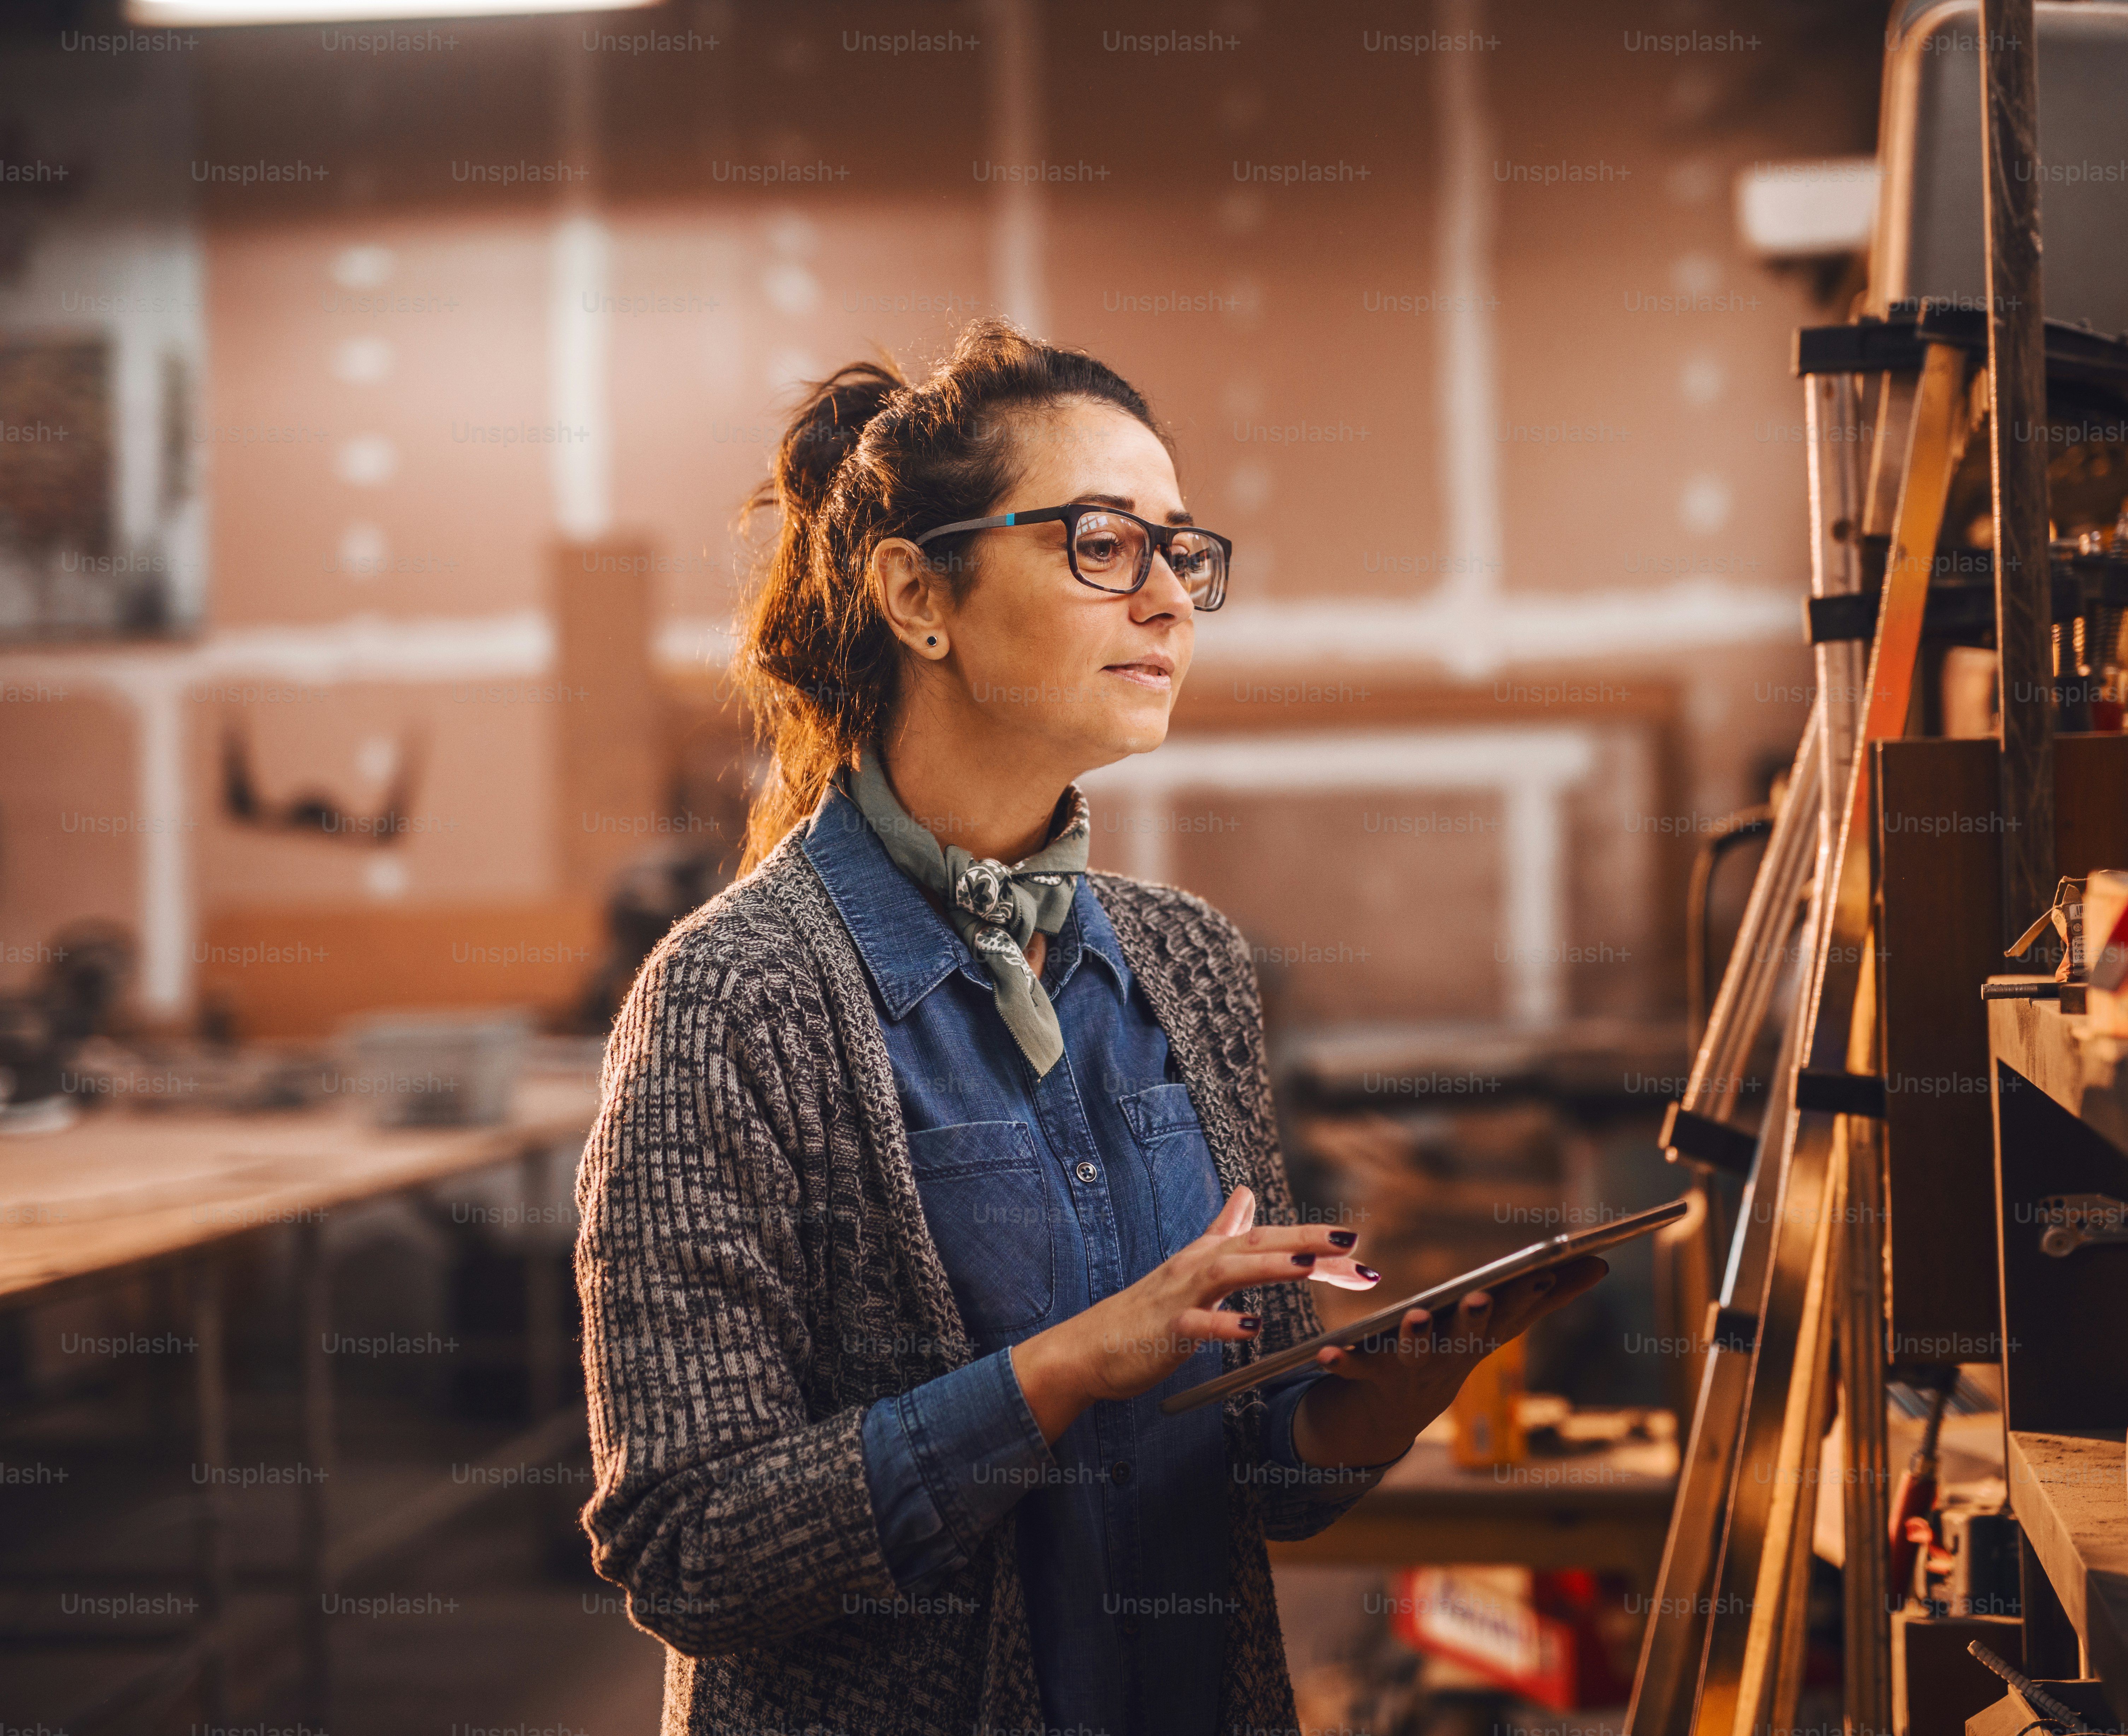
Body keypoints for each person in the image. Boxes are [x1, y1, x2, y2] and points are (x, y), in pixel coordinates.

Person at [573, 319, 1607, 1735]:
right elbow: (689, 1545)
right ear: (916, 593)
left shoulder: (1185, 960)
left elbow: (1255, 1467)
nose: (1171, 598)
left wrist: (1383, 1398)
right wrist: (1062, 1370)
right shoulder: (733, 1001)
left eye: (1183, 553)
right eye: (1103, 545)